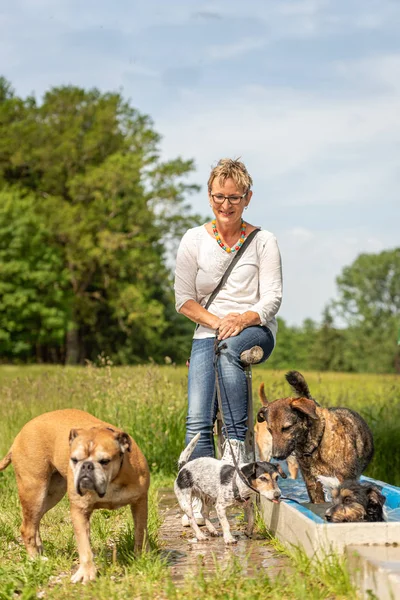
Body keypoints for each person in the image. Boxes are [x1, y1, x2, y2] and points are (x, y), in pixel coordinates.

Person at [174, 158, 282, 524]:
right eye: (219, 196)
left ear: (247, 198)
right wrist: (219, 321)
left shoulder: (264, 241)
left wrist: (241, 318)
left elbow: (271, 299)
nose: (226, 205)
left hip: (254, 329)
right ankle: (197, 496)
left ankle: (236, 451)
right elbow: (183, 299)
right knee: (196, 420)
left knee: (230, 348)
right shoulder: (193, 239)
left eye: (234, 197)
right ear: (209, 196)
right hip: (209, 330)